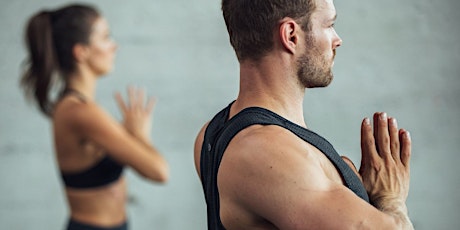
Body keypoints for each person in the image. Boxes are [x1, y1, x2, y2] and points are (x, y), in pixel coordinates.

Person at [194, 0, 414, 229]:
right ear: (291, 35)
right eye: (329, 25)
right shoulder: (264, 154)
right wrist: (391, 200)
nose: (337, 40)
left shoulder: (211, 133)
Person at [20, 4, 169, 230]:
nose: (114, 46)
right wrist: (140, 135)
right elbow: (159, 171)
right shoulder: (80, 113)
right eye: (106, 37)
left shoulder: (78, 107)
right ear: (82, 52)